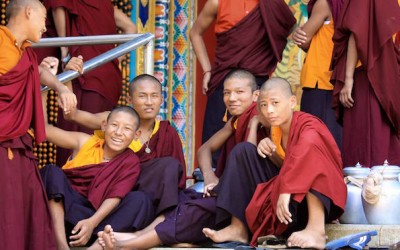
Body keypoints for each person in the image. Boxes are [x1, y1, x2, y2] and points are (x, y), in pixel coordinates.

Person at [87, 69, 264, 250]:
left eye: (239, 92)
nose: (232, 98)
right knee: (185, 198)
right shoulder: (234, 121)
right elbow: (204, 150)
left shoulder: (265, 117)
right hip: (226, 194)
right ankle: (142, 235)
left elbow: (247, 156)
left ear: (256, 95)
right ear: (130, 100)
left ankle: (129, 245)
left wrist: (255, 124)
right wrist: (209, 176)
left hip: (247, 199)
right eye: (227, 93)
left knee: (193, 210)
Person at [0, 0, 77, 248]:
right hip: (3, 143)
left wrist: (58, 86)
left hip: (19, 145)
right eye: (44, 18)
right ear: (29, 12)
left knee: (28, 211)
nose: (46, 27)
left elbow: (35, 71)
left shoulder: (27, 53)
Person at [243, 78, 346, 249]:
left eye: (275, 103)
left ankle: (316, 231)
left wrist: (287, 188)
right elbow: (284, 164)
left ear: (292, 102)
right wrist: (267, 147)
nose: (269, 110)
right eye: (263, 105)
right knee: (243, 152)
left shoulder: (308, 125)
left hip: (322, 197)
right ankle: (238, 227)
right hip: (294, 204)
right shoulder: (273, 130)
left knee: (313, 157)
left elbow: (307, 148)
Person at [65, 74, 186, 215]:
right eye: (142, 96)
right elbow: (72, 115)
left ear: (161, 100)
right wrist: (68, 77)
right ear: (129, 100)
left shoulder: (167, 132)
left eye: (154, 96)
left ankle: (164, 219)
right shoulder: (114, 120)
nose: (149, 102)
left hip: (146, 198)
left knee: (169, 166)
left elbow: (174, 178)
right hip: (113, 190)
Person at [41, 103, 155, 248]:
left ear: (136, 135)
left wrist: (91, 223)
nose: (119, 132)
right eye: (114, 125)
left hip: (99, 224)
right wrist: (41, 88)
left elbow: (115, 196)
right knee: (51, 172)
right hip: (67, 213)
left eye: (127, 128)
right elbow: (45, 130)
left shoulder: (130, 161)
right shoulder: (85, 142)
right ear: (104, 125)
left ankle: (97, 246)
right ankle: (61, 244)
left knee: (140, 200)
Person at [39, 0, 137, 166]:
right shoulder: (104, 5)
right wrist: (109, 61)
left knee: (74, 139)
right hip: (104, 78)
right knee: (91, 138)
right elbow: (131, 29)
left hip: (81, 74)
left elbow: (58, 6)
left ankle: (71, 181)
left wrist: (65, 52)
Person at [189, 0, 295, 144]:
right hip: (224, 80)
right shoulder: (217, 2)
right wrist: (207, 70)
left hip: (256, 81)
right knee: (215, 136)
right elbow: (195, 33)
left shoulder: (270, 2)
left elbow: (288, 23)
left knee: (257, 137)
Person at [330, 0, 400, 167]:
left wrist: (348, 80)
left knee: (378, 133)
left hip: (378, 75)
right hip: (372, 75)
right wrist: (348, 79)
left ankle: (378, 184)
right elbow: (357, 33)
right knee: (374, 133)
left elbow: (356, 33)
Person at [292, 0, 343, 149]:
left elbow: (303, 38)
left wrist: (302, 37)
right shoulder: (350, 5)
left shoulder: (324, 3)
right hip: (338, 78)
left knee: (314, 137)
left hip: (319, 79)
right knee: (334, 138)